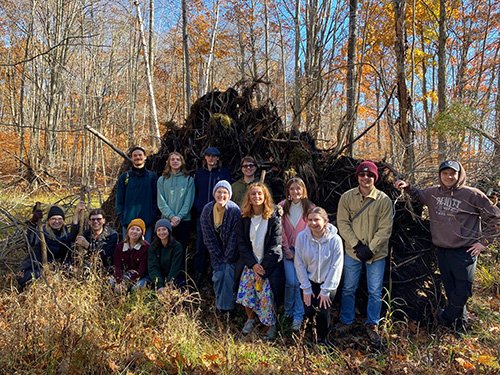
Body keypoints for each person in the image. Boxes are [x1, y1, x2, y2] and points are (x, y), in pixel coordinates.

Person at [395, 160, 500, 332]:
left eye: (453, 173)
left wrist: (484, 242)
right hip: (442, 250)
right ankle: (460, 327)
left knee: (463, 291)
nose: (449, 176)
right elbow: (418, 194)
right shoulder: (433, 193)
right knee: (451, 290)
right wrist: (406, 186)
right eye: (445, 173)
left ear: (459, 175)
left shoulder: (473, 195)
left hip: (465, 250)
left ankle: (445, 318)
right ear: (440, 175)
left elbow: (496, 217)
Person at [336, 160, 393, 346]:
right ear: (357, 177)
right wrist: (356, 245)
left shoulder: (384, 200)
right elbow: (342, 223)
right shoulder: (347, 197)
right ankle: (346, 320)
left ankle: (372, 323)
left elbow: (386, 228)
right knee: (348, 288)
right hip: (353, 252)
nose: (365, 178)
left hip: (376, 255)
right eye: (362, 174)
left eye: (370, 175)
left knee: (375, 291)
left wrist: (370, 248)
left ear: (375, 178)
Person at [236, 182, 283, 340]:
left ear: (265, 197)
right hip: (251, 264)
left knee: (266, 298)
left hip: (268, 265)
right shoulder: (244, 217)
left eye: (259, 194)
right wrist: (253, 265)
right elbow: (241, 243)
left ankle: (270, 326)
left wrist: (262, 269)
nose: (256, 197)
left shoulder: (273, 217)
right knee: (246, 294)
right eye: (253, 194)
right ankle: (250, 319)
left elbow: (276, 246)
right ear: (248, 198)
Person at [294, 207, 344, 345]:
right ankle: (310, 338)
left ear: (325, 221)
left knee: (323, 312)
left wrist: (326, 290)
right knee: (309, 311)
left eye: (317, 220)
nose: (313, 223)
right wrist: (306, 287)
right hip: (308, 281)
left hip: (328, 282)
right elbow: (299, 263)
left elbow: (336, 266)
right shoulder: (301, 238)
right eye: (310, 220)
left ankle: (324, 340)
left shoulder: (335, 240)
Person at [17, 202, 85, 289]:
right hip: (37, 268)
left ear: (63, 221)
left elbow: (73, 234)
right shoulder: (42, 232)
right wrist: (33, 222)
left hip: (57, 270)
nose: (57, 221)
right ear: (48, 221)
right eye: (53, 219)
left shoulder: (64, 234)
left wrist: (77, 212)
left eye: (60, 219)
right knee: (26, 278)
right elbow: (30, 242)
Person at [278, 177, 315, 332]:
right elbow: (280, 230)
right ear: (288, 191)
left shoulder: (310, 208)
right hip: (288, 251)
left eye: (298, 188)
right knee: (291, 282)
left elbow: (313, 231)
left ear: (303, 190)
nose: (295, 192)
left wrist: (302, 252)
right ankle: (288, 311)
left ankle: (298, 316)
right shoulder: (282, 206)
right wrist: (286, 250)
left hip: (304, 253)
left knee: (302, 283)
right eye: (292, 189)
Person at [200, 181, 241, 314]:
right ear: (214, 193)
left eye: (225, 192)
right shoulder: (207, 209)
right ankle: (219, 305)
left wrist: (227, 256)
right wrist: (218, 255)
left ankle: (227, 309)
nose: (221, 195)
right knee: (218, 275)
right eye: (219, 192)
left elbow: (235, 236)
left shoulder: (234, 210)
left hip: (231, 252)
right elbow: (207, 236)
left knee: (228, 274)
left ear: (229, 195)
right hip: (216, 251)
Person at [193, 147, 231, 285]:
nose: (211, 159)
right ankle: (198, 277)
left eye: (214, 156)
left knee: (217, 246)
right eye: (209, 156)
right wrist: (197, 206)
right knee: (200, 247)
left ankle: (216, 276)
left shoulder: (224, 173)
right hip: (201, 215)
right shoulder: (199, 174)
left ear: (218, 158)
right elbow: (195, 192)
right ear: (205, 158)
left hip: (220, 215)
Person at [115, 146, 158, 242]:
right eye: (135, 155)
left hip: (147, 222)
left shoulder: (152, 177)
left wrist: (152, 216)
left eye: (140, 155)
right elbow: (119, 199)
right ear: (131, 158)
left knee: (145, 250)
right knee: (127, 250)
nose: (138, 157)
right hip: (128, 223)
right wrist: (123, 218)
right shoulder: (125, 177)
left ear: (145, 157)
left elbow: (156, 198)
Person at [157, 152, 195, 253]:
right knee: (166, 250)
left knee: (181, 250)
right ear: (168, 162)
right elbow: (161, 201)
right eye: (172, 159)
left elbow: (189, 201)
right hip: (166, 221)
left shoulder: (188, 179)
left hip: (184, 220)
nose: (175, 161)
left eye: (178, 159)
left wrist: (179, 217)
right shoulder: (162, 180)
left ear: (182, 162)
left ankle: (181, 269)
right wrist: (171, 217)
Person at [75, 208, 118, 274]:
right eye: (93, 219)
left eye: (99, 219)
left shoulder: (112, 235)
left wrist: (88, 246)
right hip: (88, 268)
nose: (96, 222)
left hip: (107, 269)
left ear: (104, 221)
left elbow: (105, 254)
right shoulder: (85, 234)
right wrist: (77, 212)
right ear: (89, 222)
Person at [112, 218, 150, 292]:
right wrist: (119, 281)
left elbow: (141, 271)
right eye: (132, 229)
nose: (134, 232)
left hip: (140, 277)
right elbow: (118, 266)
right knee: (110, 282)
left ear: (142, 233)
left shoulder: (146, 247)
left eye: (138, 230)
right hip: (123, 277)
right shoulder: (120, 246)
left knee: (135, 288)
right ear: (128, 231)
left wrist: (127, 283)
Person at [148, 219, 184, 291]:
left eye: (164, 229)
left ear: (169, 231)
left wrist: (169, 284)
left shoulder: (177, 246)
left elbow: (175, 267)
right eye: (159, 230)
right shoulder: (153, 247)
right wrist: (159, 285)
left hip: (174, 278)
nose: (161, 232)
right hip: (159, 278)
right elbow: (153, 267)